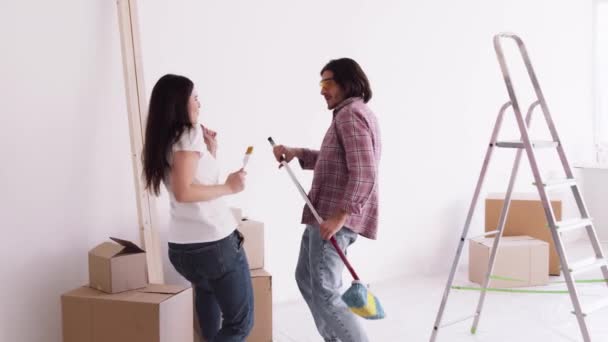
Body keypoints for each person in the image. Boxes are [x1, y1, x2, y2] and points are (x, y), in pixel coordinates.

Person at [272, 58, 381, 342]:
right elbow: (336, 161)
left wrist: (340, 216)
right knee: (306, 278)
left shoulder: (350, 116)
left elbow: (364, 171)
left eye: (327, 82)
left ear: (348, 82)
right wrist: (298, 153)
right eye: (321, 83)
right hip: (323, 217)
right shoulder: (351, 114)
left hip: (331, 220)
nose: (322, 90)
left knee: (325, 290)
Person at [142, 74, 253, 341]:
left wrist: (212, 150)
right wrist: (229, 187)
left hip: (184, 250)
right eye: (195, 97)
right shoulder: (189, 134)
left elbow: (193, 182)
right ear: (179, 103)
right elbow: (184, 191)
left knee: (207, 295)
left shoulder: (165, 138)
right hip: (214, 244)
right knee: (239, 325)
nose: (199, 104)